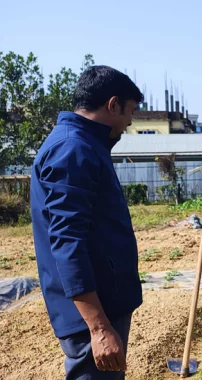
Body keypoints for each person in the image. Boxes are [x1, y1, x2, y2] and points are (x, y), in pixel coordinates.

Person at [30, 66, 144, 379]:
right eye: (130, 111)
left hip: (104, 303)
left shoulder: (86, 145)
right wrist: (98, 327)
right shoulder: (73, 148)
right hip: (94, 312)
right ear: (113, 104)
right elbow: (67, 242)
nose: (130, 121)